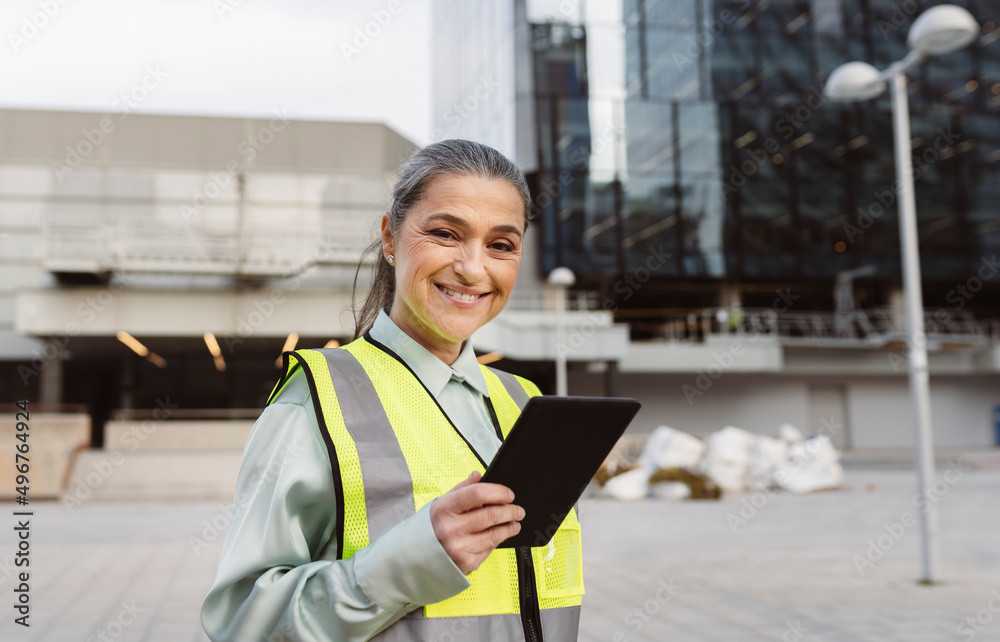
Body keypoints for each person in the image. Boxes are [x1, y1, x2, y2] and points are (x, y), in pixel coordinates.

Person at [201, 140, 584, 641]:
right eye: (446, 234)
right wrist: (411, 560)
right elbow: (241, 626)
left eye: (501, 245)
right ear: (390, 236)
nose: (473, 269)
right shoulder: (316, 400)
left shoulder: (523, 401)